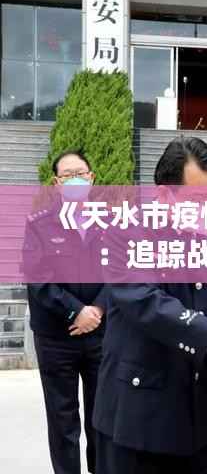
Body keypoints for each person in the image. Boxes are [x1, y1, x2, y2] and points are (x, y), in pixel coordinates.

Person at [93, 136, 207, 474]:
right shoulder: (128, 232)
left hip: (199, 414)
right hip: (139, 415)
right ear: (164, 194)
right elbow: (146, 302)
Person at [23, 150, 108, 474]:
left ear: (91, 178)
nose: (75, 180)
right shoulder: (39, 225)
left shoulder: (110, 222)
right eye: (67, 175)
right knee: (62, 420)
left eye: (80, 174)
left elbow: (121, 272)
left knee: (102, 418)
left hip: (101, 332)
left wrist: (97, 309)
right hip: (56, 337)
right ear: (57, 183)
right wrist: (77, 312)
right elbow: (38, 279)